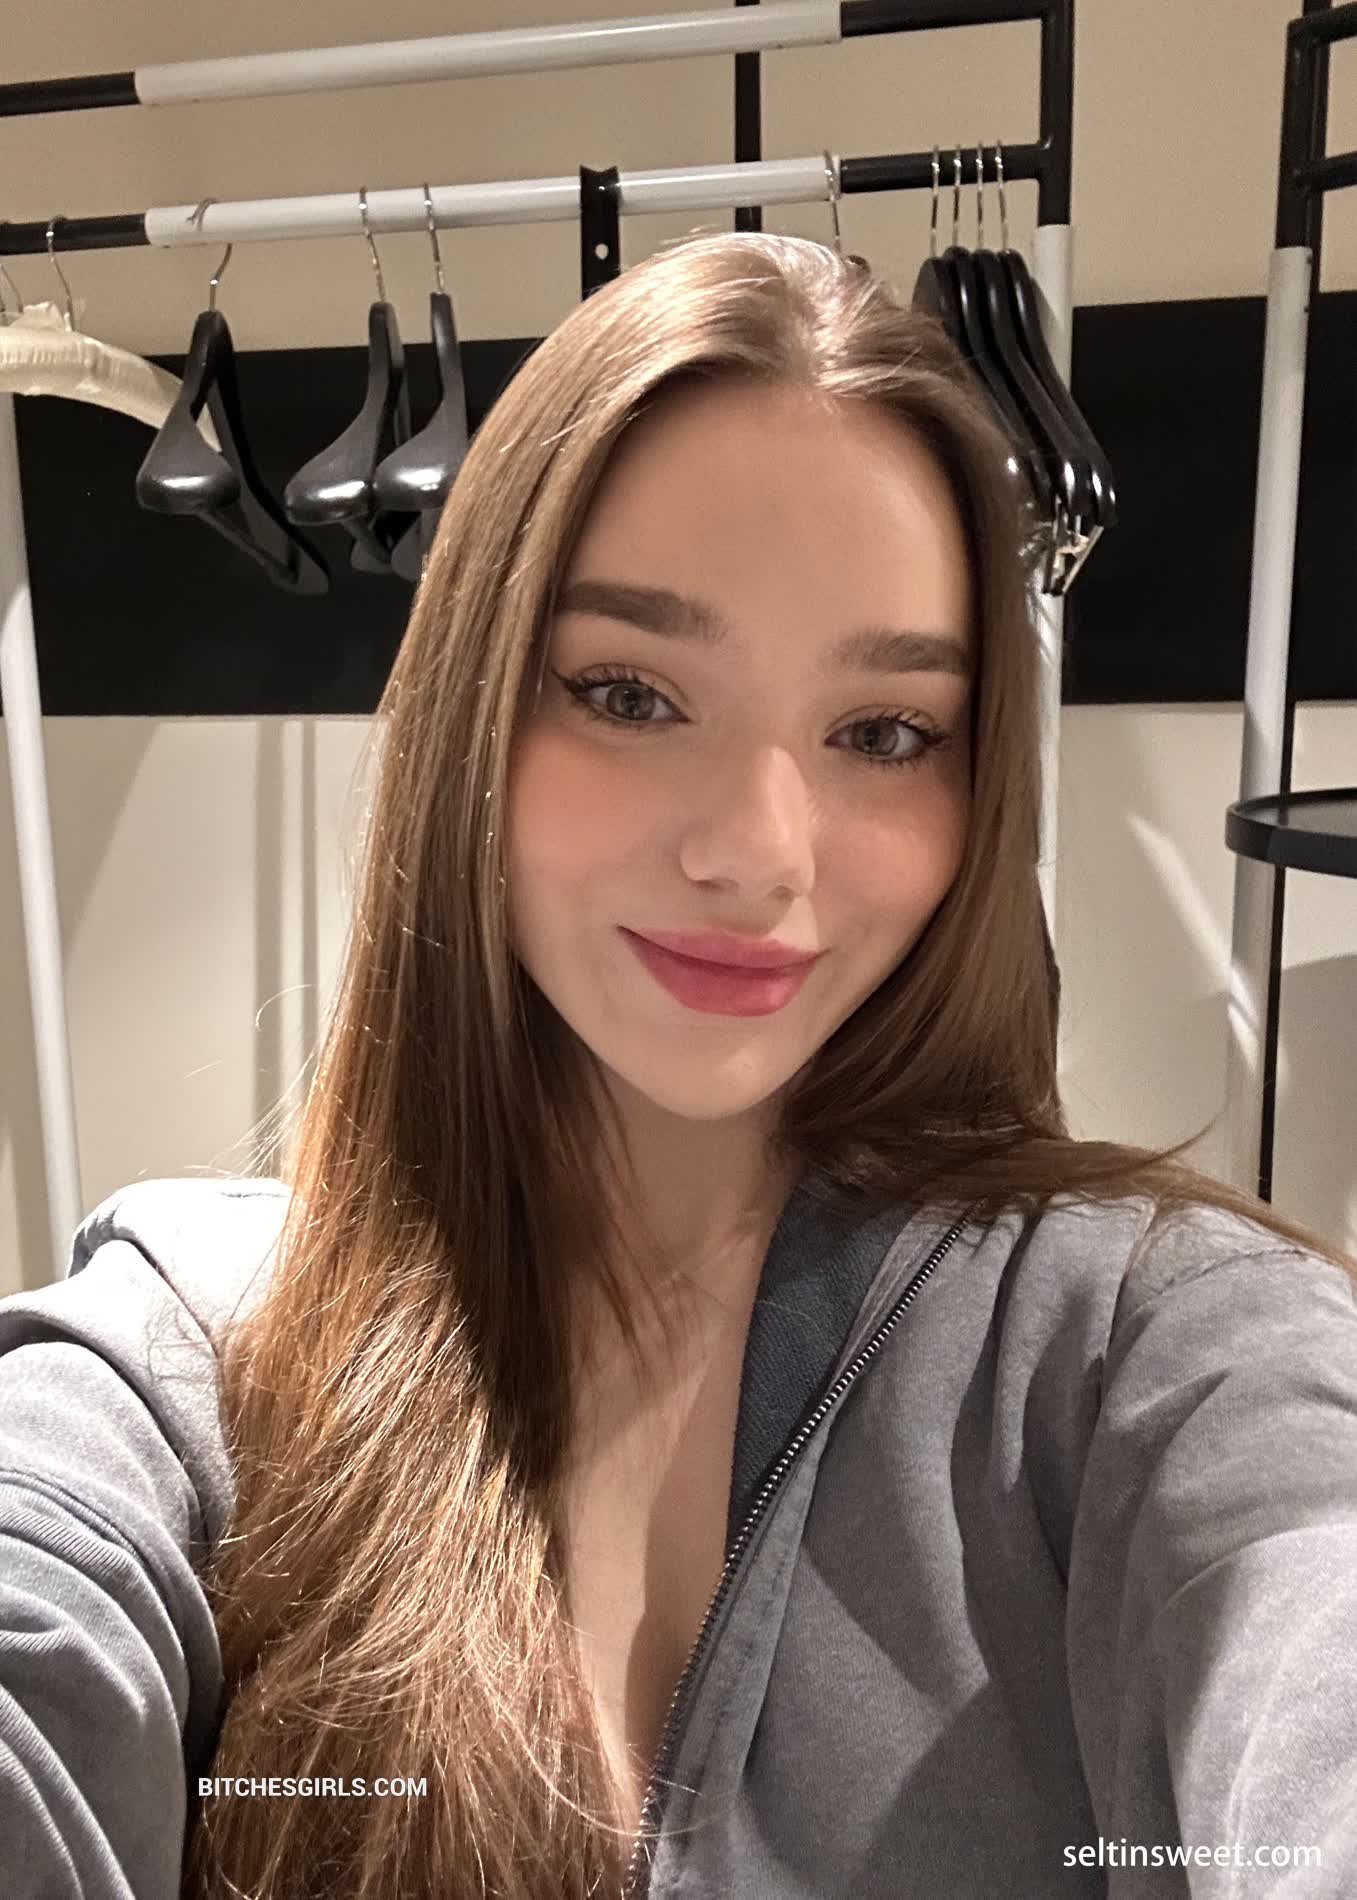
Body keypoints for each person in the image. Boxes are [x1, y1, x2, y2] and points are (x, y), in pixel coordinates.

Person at [2, 232, 1356, 1900]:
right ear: (472, 714)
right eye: (631, 695)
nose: (759, 853)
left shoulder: (1149, 1349)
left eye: (884, 733)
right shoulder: (196, 1348)